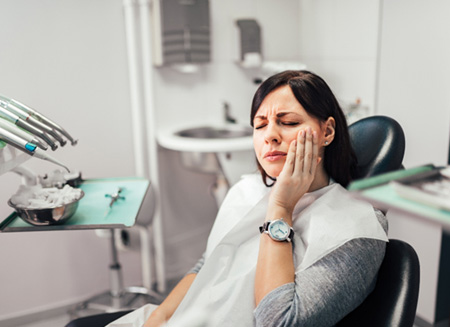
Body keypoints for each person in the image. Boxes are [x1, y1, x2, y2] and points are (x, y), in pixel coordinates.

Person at [141, 70, 388, 327]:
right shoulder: (246, 191)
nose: (270, 135)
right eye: (260, 125)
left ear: (327, 132)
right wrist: (158, 318)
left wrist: (281, 208)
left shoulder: (358, 230)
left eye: (290, 122)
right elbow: (209, 265)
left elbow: (279, 322)